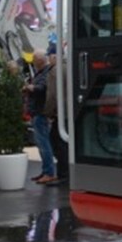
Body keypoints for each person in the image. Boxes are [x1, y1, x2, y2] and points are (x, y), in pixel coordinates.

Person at [27, 51, 58, 185]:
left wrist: (31, 88)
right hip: (38, 112)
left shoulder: (46, 73)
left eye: (34, 60)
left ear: (39, 61)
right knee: (41, 144)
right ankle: (46, 171)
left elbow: (42, 89)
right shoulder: (43, 73)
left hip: (40, 113)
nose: (33, 63)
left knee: (44, 144)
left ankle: (49, 172)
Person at [44, 48, 68, 182]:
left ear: (54, 57)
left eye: (49, 56)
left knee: (56, 141)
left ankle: (63, 174)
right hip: (72, 112)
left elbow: (52, 95)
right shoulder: (71, 66)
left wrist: (48, 112)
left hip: (60, 113)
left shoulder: (55, 71)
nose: (48, 59)